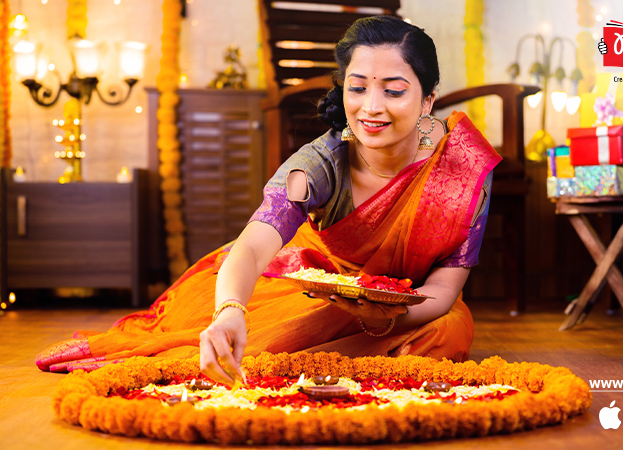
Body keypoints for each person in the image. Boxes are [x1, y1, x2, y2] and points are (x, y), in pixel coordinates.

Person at [36, 16, 501, 386]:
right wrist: (230, 311)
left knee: (450, 330)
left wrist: (382, 316)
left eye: (393, 90)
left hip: (407, 303)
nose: (371, 107)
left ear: (427, 100)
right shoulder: (318, 163)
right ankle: (313, 357)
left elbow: (443, 290)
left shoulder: (463, 169)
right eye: (357, 88)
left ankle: (321, 362)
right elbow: (257, 243)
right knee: (264, 319)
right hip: (313, 281)